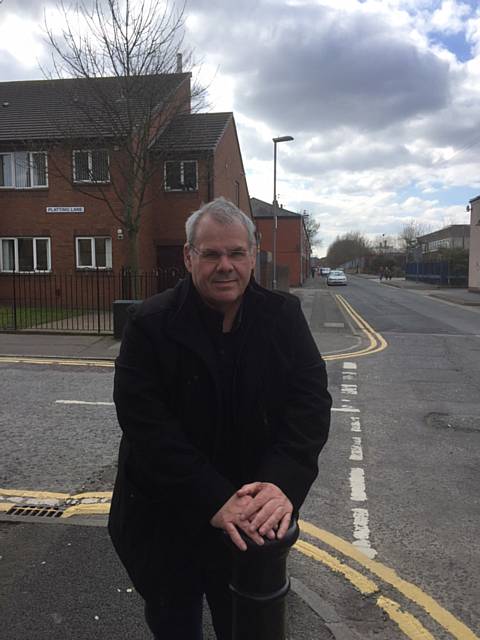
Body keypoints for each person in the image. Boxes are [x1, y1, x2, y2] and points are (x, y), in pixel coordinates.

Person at [108, 197, 332, 640]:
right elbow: (145, 424)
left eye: (236, 253)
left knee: (245, 625)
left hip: (248, 521)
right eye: (211, 254)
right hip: (165, 518)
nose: (224, 265)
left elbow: (309, 405)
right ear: (190, 257)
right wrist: (212, 496)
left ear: (253, 255)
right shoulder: (149, 324)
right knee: (174, 624)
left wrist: (282, 482)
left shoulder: (283, 317)